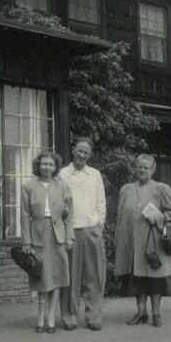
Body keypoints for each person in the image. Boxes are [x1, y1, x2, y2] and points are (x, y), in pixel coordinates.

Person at [114, 154, 171, 327]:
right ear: (135, 168)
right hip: (132, 241)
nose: (142, 170)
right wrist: (119, 238)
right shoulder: (126, 189)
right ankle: (141, 312)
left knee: (155, 278)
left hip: (153, 241)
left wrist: (158, 217)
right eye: (139, 167)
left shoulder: (161, 188)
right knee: (137, 278)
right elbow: (120, 216)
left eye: (146, 168)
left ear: (153, 170)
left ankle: (156, 313)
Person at [21, 150, 74, 334]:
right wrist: (26, 242)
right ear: (38, 165)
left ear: (55, 167)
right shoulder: (28, 187)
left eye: (51, 165)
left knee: (57, 277)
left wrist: (69, 237)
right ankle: (41, 316)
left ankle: (52, 316)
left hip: (57, 236)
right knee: (42, 278)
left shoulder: (62, 186)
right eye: (44, 164)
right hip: (38, 236)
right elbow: (25, 216)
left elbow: (69, 214)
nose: (47, 167)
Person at [58, 137, 107, 331]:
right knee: (71, 275)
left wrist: (98, 224)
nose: (82, 155)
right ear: (73, 151)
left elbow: (101, 203)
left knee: (94, 275)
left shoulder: (95, 175)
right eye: (79, 151)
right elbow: (59, 202)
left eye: (86, 152)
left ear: (90, 155)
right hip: (71, 230)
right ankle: (69, 316)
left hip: (91, 229)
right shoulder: (63, 174)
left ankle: (93, 316)